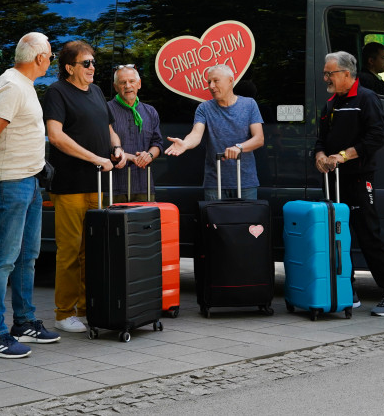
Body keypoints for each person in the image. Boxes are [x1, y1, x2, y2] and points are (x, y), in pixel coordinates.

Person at [0, 32, 61, 359]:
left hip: (28, 182)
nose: (51, 60)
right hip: (9, 183)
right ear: (38, 58)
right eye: (49, 55)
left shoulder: (24, 85)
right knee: (4, 259)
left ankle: (24, 322)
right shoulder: (10, 86)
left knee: (26, 256)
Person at [313, 50, 384, 317]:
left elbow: (377, 137)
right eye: (325, 73)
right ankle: (346, 291)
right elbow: (321, 140)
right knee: (337, 237)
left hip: (358, 178)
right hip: (333, 181)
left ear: (346, 74)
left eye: (329, 73)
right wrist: (320, 156)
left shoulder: (366, 98)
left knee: (368, 234)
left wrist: (342, 156)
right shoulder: (331, 103)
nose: (325, 77)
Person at [43, 40, 126, 333]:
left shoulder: (97, 91)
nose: (93, 68)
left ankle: (87, 305)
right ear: (69, 68)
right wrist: (95, 158)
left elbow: (108, 126)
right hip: (71, 184)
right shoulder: (57, 92)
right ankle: (64, 313)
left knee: (92, 250)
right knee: (70, 251)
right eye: (86, 63)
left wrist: (116, 148)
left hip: (98, 183)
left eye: (93, 63)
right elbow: (55, 136)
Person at [165, 64, 264, 200]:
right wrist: (185, 144)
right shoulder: (204, 108)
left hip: (245, 180)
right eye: (209, 82)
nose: (211, 86)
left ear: (230, 81)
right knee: (214, 222)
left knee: (248, 221)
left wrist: (239, 148)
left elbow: (259, 138)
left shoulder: (249, 104)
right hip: (215, 182)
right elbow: (196, 134)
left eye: (216, 81)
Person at [107, 65, 164, 199]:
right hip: (113, 187)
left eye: (132, 81)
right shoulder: (105, 110)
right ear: (115, 87)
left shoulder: (150, 112)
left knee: (145, 220)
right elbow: (99, 146)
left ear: (139, 84)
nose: (128, 86)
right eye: (122, 82)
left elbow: (158, 143)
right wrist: (126, 156)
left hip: (144, 186)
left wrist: (149, 155)